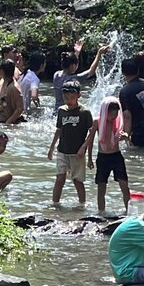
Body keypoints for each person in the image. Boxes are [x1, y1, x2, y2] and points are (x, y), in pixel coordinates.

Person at [47, 80, 93, 208]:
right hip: (62, 151)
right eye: (66, 98)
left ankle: (82, 205)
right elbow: (59, 130)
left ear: (79, 95)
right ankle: (54, 204)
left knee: (77, 181)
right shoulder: (62, 111)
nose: (69, 101)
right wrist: (51, 148)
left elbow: (92, 133)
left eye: (72, 98)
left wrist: (84, 149)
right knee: (59, 179)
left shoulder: (85, 112)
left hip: (77, 153)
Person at [85, 96, 131, 215]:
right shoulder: (97, 122)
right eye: (111, 114)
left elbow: (124, 136)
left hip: (116, 156)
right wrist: (89, 158)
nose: (114, 116)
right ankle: (101, 212)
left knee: (124, 186)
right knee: (101, 187)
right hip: (103, 157)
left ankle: (128, 211)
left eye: (116, 113)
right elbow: (90, 141)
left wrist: (126, 137)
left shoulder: (118, 122)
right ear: (105, 111)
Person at [53, 41, 110, 108]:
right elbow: (91, 71)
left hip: (57, 111)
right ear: (73, 66)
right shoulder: (73, 79)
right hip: (68, 112)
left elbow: (71, 63)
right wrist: (99, 53)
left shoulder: (56, 75)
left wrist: (77, 52)